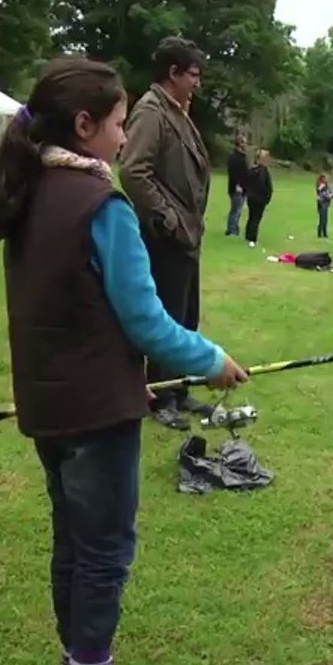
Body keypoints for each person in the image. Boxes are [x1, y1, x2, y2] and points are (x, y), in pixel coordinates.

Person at [0, 56, 248, 665]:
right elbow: (148, 323)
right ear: (84, 125)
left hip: (48, 407)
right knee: (104, 550)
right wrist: (212, 361)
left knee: (72, 541)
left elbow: (69, 311)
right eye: (119, 123)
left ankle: (77, 657)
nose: (125, 136)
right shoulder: (104, 207)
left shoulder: (27, 193)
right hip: (97, 416)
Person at [118, 36, 213, 430]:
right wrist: (167, 217)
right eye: (193, 74)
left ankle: (179, 388)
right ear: (172, 73)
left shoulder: (178, 110)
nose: (197, 83)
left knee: (185, 315)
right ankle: (160, 397)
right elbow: (132, 170)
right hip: (164, 237)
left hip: (186, 237)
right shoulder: (151, 111)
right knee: (166, 318)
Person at [244, 149, 273, 246]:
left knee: (251, 217)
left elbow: (246, 183)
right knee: (256, 218)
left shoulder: (251, 169)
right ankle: (252, 238)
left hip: (251, 197)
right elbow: (268, 185)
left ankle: (248, 235)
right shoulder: (263, 170)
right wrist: (267, 197)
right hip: (259, 197)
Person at [225, 135, 248, 237]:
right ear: (240, 144)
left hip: (240, 187)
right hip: (237, 188)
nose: (245, 145)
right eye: (244, 143)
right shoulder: (235, 157)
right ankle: (232, 230)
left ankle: (234, 228)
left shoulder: (241, 157)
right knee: (236, 210)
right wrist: (238, 185)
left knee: (237, 209)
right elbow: (234, 173)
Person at [315, 174, 332, 238]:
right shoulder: (322, 185)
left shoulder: (326, 185)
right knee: (322, 219)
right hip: (322, 204)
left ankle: (324, 233)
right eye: (325, 178)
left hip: (325, 204)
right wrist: (329, 196)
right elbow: (321, 193)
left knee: (325, 219)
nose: (326, 179)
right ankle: (320, 233)